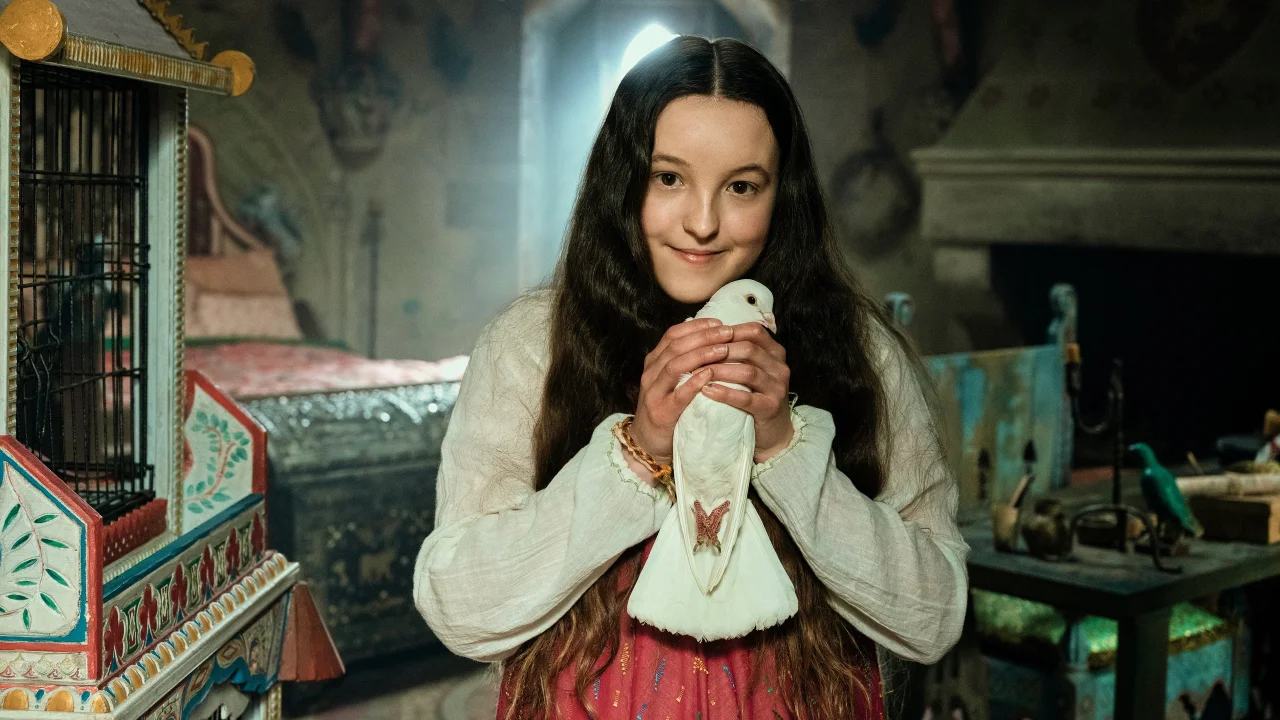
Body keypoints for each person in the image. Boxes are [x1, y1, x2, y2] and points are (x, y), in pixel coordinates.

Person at [414, 35, 968, 720]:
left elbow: (934, 618)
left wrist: (785, 449)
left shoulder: (861, 350)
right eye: (668, 178)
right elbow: (460, 609)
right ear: (622, 181)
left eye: (741, 187)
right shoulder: (533, 343)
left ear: (783, 195)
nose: (703, 224)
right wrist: (637, 454)